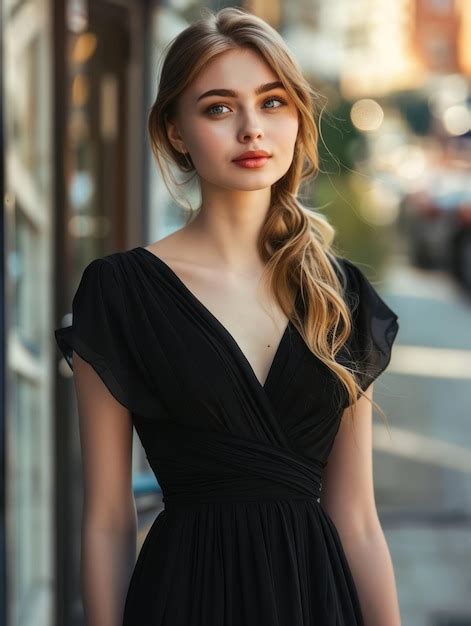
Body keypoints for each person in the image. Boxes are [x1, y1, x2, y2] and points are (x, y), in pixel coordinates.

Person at [55, 7, 402, 626]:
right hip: (187, 597)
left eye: (272, 103)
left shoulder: (338, 293)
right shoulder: (120, 293)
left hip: (316, 602)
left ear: (297, 118)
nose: (251, 129)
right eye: (219, 108)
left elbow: (358, 520)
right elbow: (108, 518)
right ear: (177, 132)